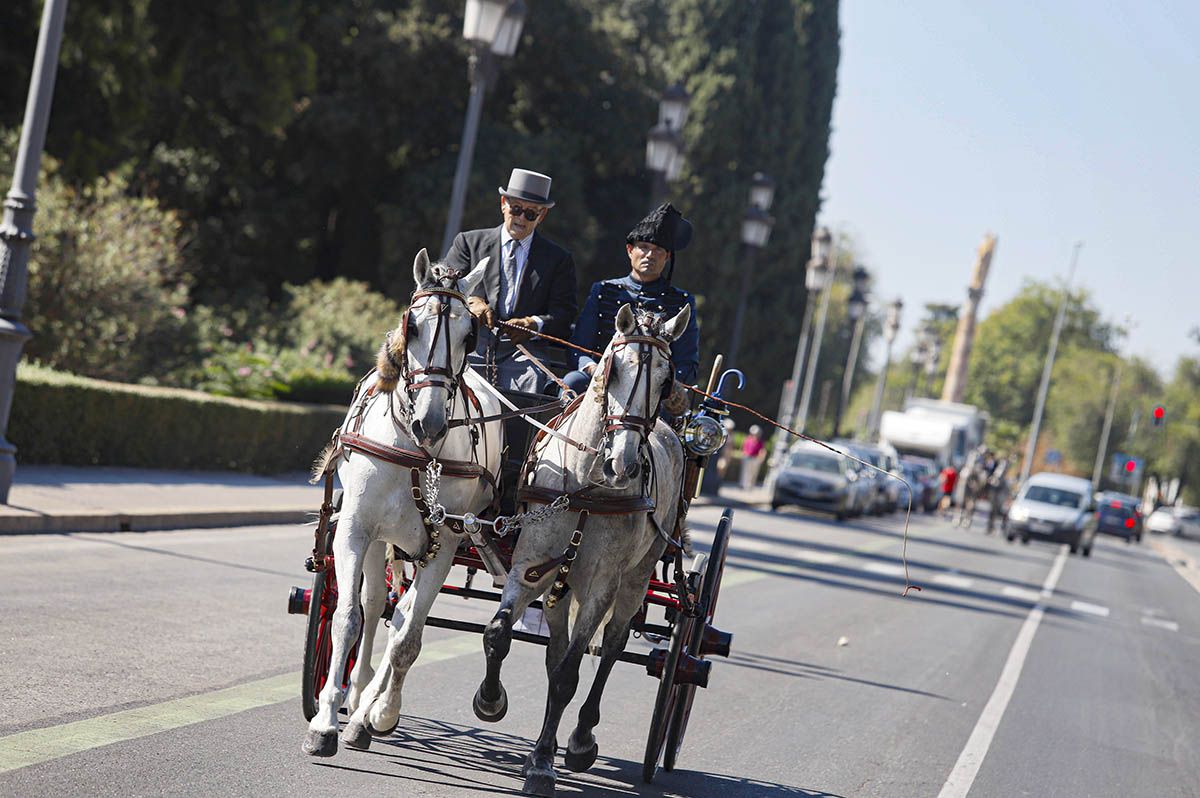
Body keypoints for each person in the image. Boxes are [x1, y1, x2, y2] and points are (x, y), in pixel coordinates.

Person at [444, 168, 577, 393]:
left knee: (533, 381)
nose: (521, 218)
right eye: (516, 209)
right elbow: (444, 290)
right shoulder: (467, 243)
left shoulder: (559, 260)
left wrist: (533, 324)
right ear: (503, 204)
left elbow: (564, 314)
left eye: (531, 213)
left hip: (523, 353)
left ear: (542, 215)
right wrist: (471, 301)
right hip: (472, 345)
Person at [563, 202, 700, 415]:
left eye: (657, 250)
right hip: (601, 379)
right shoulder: (603, 290)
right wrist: (596, 370)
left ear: (667, 257)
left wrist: (669, 385)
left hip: (653, 390)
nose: (650, 255)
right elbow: (578, 348)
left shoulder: (682, 302)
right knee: (570, 382)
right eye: (644, 247)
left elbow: (686, 362)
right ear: (630, 250)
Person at [740, 425, 766, 490]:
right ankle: (742, 484)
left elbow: (761, 450)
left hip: (754, 458)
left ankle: (749, 486)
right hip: (747, 457)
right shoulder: (748, 439)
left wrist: (760, 458)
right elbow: (743, 448)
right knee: (745, 472)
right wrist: (743, 454)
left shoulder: (760, 442)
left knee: (752, 473)